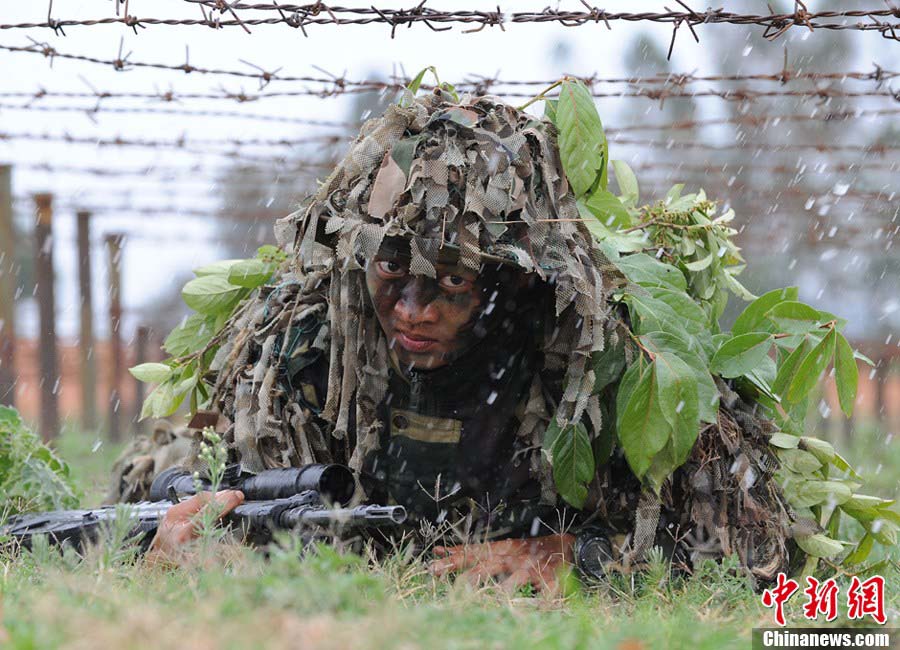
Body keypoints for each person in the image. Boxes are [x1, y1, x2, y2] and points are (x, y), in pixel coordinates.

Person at [122, 89, 791, 589]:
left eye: (448, 281)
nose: (410, 311)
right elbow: (229, 505)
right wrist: (197, 538)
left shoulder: (605, 360)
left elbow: (752, 551)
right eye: (391, 270)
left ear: (512, 282)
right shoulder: (311, 347)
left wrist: (569, 559)